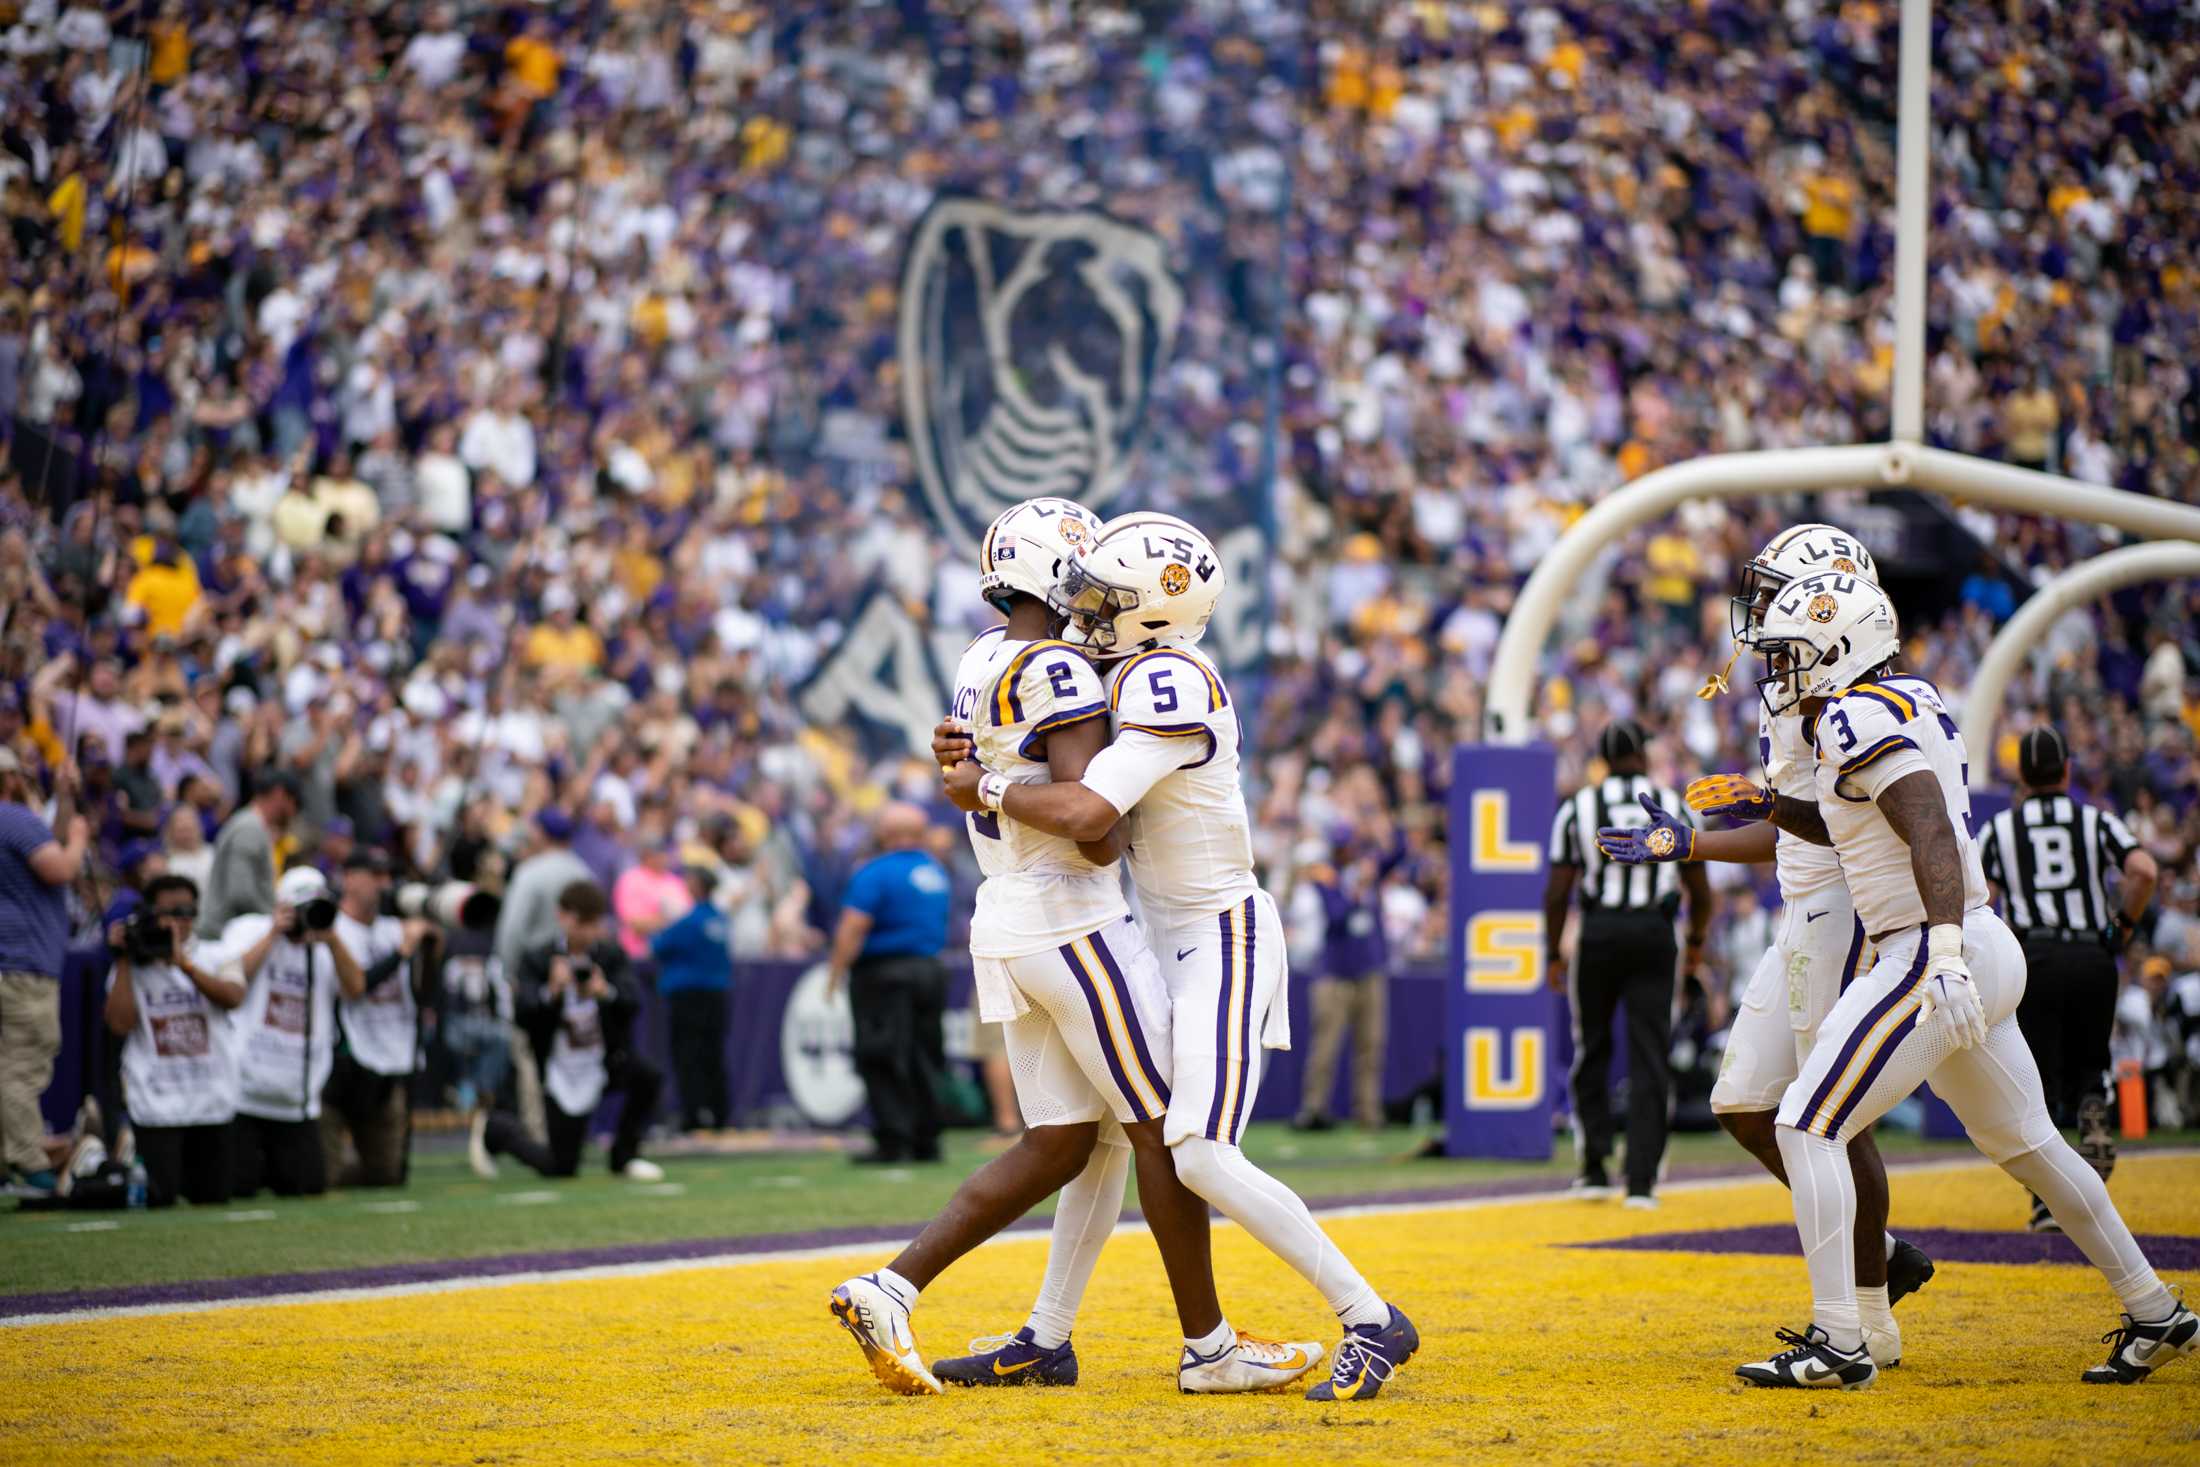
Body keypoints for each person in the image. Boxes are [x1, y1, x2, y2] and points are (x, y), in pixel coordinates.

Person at [831, 499, 1321, 1398]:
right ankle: (1210, 1345)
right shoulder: (1060, 666)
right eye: (1085, 574)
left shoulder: (982, 655)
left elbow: (973, 767)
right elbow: (1096, 833)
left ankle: (896, 1288)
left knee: (1064, 1141)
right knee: (1164, 1132)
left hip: (1007, 918)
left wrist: (983, 783)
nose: (1095, 594)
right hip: (1075, 918)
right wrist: (1023, 788)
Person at [939, 511, 1415, 1403]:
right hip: (1167, 936)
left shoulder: (1169, 677)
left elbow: (1090, 818)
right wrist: (976, 742)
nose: (1083, 610)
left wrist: (989, 783)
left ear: (1158, 612)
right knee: (1120, 1134)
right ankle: (1045, 1337)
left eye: (1104, 599)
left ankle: (1369, 1316)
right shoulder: (1121, 665)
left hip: (1219, 938)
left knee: (1190, 1150)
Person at [1715, 571, 2194, 1389]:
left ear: (1841, 643)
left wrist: (1937, 952)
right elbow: (1852, 817)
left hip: (1932, 946)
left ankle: (1840, 1340)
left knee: (1806, 1121)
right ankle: (2154, 1309)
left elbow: (1929, 826)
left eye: (1794, 652)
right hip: (1977, 938)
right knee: (2034, 1145)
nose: (1782, 669)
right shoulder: (1910, 700)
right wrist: (1766, 803)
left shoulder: (1850, 713)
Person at [1598, 525, 1933, 1366]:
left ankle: (1864, 1321)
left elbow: (1820, 826)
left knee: (1829, 1113)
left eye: (1782, 595)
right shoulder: (1790, 689)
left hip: (1849, 906)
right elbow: (1781, 828)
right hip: (1805, 907)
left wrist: (1750, 816)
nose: (1762, 617)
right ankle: (1883, 1257)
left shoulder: (1854, 702)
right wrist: (1691, 845)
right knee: (1746, 1104)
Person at [1978, 723, 2158, 1229]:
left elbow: (1979, 895)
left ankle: (2047, 1203)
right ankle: (2095, 1102)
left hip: (2035, 958)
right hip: (2092, 956)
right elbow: (2143, 869)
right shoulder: (2094, 820)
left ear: (2022, 778)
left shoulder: (2000, 830)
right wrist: (2121, 927)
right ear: (2068, 771)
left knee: (2040, 1086)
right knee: (2089, 1064)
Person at [1544, 719, 1714, 1208]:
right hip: (1653, 934)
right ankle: (1641, 1181)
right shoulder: (1671, 802)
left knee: (1591, 1048)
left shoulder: (1579, 806)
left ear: (1602, 758)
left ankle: (1595, 1167)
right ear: (1642, 754)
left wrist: (1554, 951)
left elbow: (1557, 892)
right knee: (1649, 1054)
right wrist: (1697, 940)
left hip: (1598, 934)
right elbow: (1698, 888)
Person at [484, 880, 663, 1181]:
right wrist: (551, 992)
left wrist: (605, 992)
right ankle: (498, 1130)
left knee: (648, 1077)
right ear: (563, 917)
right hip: (560, 1067)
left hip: (604, 1060)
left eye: (595, 924)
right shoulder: (539, 957)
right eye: (583, 923)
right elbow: (522, 1013)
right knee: (561, 1167)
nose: (589, 933)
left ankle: (624, 1155)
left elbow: (633, 1002)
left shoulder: (609, 955)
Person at [223, 865, 366, 1197]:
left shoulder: (327, 947)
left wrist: (329, 935)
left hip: (298, 1101)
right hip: (245, 1094)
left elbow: (356, 987)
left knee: (306, 1188)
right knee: (239, 1188)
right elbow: (230, 981)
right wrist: (273, 933)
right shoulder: (249, 929)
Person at [103, 873, 244, 1207]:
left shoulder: (218, 953)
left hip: (211, 1101)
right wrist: (123, 958)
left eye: (187, 912)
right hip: (158, 1104)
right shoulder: (134, 963)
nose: (180, 921)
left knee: (213, 1198)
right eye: (171, 912)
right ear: (151, 914)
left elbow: (233, 996)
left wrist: (185, 965)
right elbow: (119, 1025)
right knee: (160, 1198)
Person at [825, 803, 953, 1166]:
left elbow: (853, 925)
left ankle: (894, 1139)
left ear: (885, 834)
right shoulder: (933, 871)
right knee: (925, 1056)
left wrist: (836, 972)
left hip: (885, 974)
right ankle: (927, 1139)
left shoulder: (876, 872)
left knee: (881, 1054)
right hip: (930, 969)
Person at [0, 748, 87, 1198]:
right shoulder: (13, 817)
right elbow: (58, 867)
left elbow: (39, 843)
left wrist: (63, 799)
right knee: (21, 1065)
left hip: (10, 963)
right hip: (22, 966)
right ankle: (26, 1163)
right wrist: (78, 837)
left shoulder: (18, 823)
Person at [322, 851, 438, 1188]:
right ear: (349, 878)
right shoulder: (331, 927)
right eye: (374, 875)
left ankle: (351, 1160)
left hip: (390, 1058)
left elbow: (425, 993)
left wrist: (428, 951)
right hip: (341, 1060)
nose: (384, 884)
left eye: (387, 875)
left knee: (388, 1174)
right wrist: (401, 953)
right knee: (319, 1178)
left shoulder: (394, 928)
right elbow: (355, 986)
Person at [1294, 826, 1400, 1132]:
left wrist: (1385, 832)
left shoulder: (1368, 869)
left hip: (1369, 970)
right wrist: (1356, 889)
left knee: (1371, 1045)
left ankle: (1368, 1112)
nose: (1346, 852)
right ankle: (1314, 1109)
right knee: (1325, 1047)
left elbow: (1399, 854)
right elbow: (1336, 914)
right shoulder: (1326, 876)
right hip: (1334, 974)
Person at [648, 865, 733, 1132]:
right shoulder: (719, 919)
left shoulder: (689, 922)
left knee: (688, 1056)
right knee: (712, 1055)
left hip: (688, 995)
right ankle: (719, 1114)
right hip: (716, 994)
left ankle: (693, 1115)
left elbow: (659, 946)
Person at [199, 769, 299, 938]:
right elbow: (240, 892)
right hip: (223, 937)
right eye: (293, 801)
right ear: (279, 794)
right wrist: (274, 917)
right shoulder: (250, 828)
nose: (293, 811)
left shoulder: (251, 824)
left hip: (232, 933)